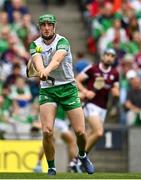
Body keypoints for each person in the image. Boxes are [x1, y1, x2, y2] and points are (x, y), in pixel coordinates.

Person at [28, 14, 95, 176]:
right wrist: (40, 68)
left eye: (49, 25)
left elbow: (57, 60)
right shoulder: (35, 44)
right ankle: (51, 167)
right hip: (48, 90)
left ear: (54, 26)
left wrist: (45, 70)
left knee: (80, 132)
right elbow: (36, 59)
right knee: (47, 131)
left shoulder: (62, 42)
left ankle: (83, 155)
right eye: (43, 25)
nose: (46, 28)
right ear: (39, 27)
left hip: (68, 88)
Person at [76, 48, 119, 153]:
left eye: (112, 56)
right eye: (107, 55)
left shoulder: (115, 73)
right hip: (91, 105)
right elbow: (76, 80)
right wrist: (86, 92)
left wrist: (116, 94)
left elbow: (115, 90)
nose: (109, 58)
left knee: (92, 134)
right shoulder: (93, 69)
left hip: (103, 107)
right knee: (99, 132)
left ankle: (77, 160)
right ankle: (80, 158)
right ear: (102, 56)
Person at [33, 105, 81, 173]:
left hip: (56, 121)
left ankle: (38, 164)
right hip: (58, 121)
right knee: (71, 142)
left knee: (49, 142)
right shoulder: (63, 95)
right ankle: (73, 165)